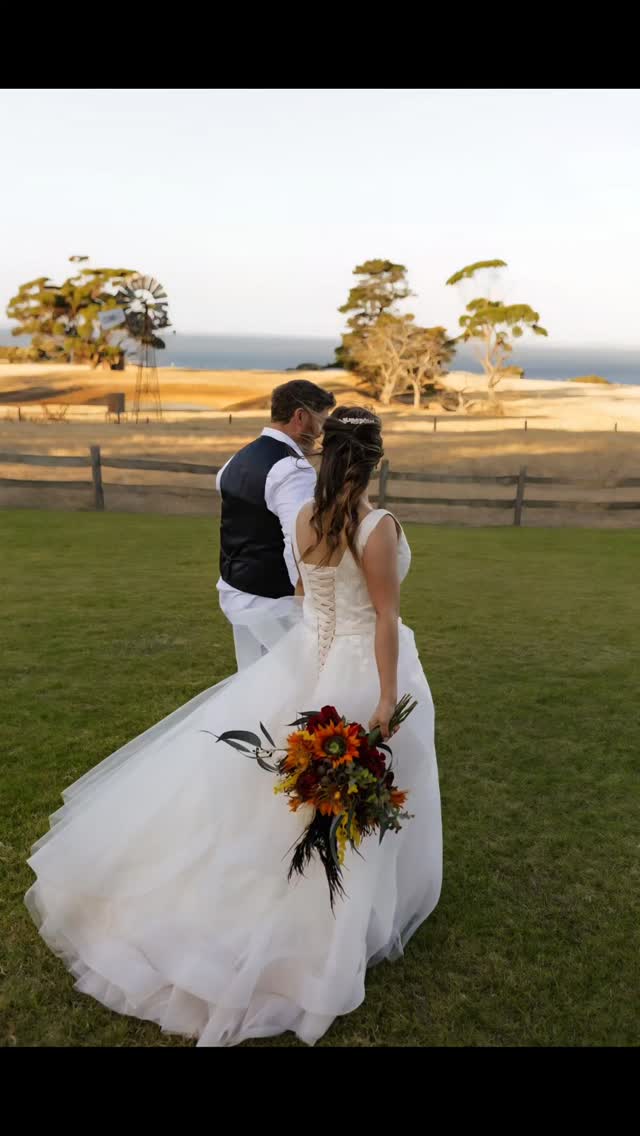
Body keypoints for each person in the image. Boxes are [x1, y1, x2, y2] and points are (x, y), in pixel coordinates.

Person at [25, 406, 442, 1048]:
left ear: (325, 453)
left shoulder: (309, 517)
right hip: (362, 668)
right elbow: (385, 617)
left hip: (310, 657)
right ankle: (328, 928)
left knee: (302, 797)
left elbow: (307, 599)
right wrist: (385, 697)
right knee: (351, 791)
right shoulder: (376, 524)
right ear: (376, 458)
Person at [216, 379, 335, 667]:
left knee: (253, 681)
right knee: (292, 686)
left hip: (236, 590)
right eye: (321, 421)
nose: (320, 434)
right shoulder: (292, 469)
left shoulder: (237, 458)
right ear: (300, 417)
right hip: (275, 603)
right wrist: (311, 605)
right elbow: (297, 541)